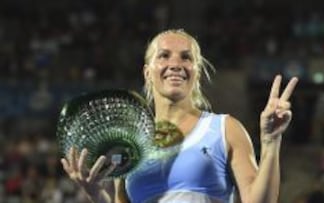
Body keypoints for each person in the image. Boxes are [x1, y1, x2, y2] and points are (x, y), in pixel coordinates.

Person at [60, 29, 298, 203]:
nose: (175, 63)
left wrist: (270, 141)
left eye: (186, 57)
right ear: (147, 72)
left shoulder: (225, 129)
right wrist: (96, 195)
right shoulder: (129, 143)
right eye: (164, 56)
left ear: (197, 71)